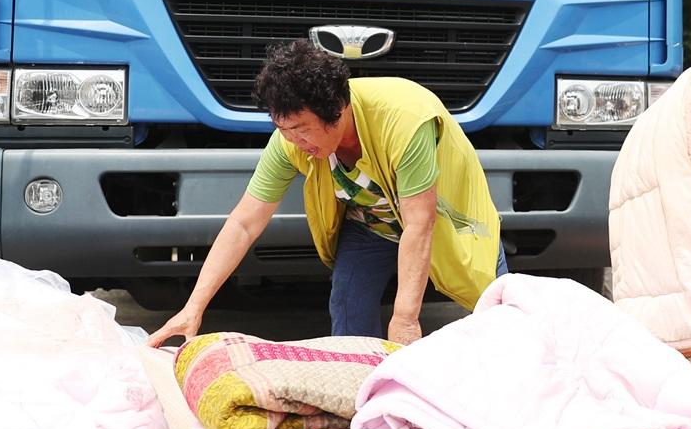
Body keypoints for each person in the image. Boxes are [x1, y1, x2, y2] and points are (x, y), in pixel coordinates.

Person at [147, 40, 505, 347]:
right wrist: (193, 307)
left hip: (448, 222)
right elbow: (244, 223)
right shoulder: (288, 141)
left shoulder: (404, 119)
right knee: (347, 304)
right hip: (372, 224)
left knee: (501, 311)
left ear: (337, 110)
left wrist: (405, 319)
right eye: (284, 131)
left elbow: (420, 223)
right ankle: (357, 403)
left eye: (303, 132)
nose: (296, 144)